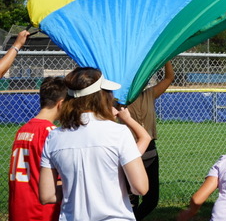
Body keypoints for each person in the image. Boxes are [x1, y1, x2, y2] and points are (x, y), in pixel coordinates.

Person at [39, 67, 151, 221]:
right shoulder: (118, 132)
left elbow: (47, 195)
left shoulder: (54, 137)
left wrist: (76, 188)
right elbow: (140, 187)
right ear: (100, 97)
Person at [8, 76, 67, 221]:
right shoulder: (52, 133)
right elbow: (60, 180)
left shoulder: (23, 129)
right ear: (61, 104)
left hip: (18, 210)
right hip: (41, 212)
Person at [127, 61, 174, 220]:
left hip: (149, 151)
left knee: (151, 199)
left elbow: (169, 78)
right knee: (131, 197)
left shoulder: (149, 94)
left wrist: (166, 58)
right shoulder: (120, 98)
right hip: (129, 150)